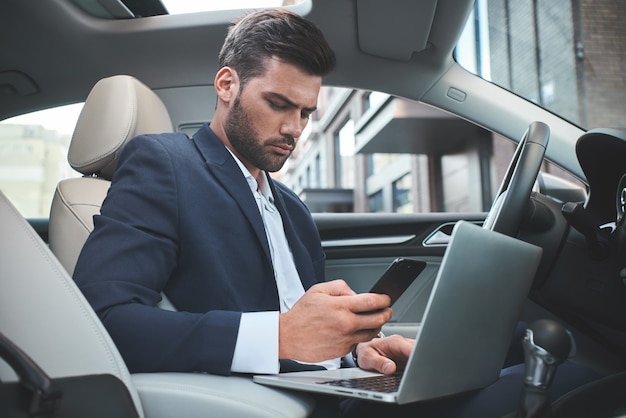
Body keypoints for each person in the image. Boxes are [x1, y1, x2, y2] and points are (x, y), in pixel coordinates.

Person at [73, 8, 599, 418]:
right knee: (571, 384)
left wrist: (358, 355)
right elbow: (104, 322)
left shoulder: (294, 211)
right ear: (227, 85)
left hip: (338, 392)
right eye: (279, 103)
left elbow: (311, 337)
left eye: (305, 113)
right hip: (272, 403)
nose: (294, 129)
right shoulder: (165, 164)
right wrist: (278, 336)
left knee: (544, 367)